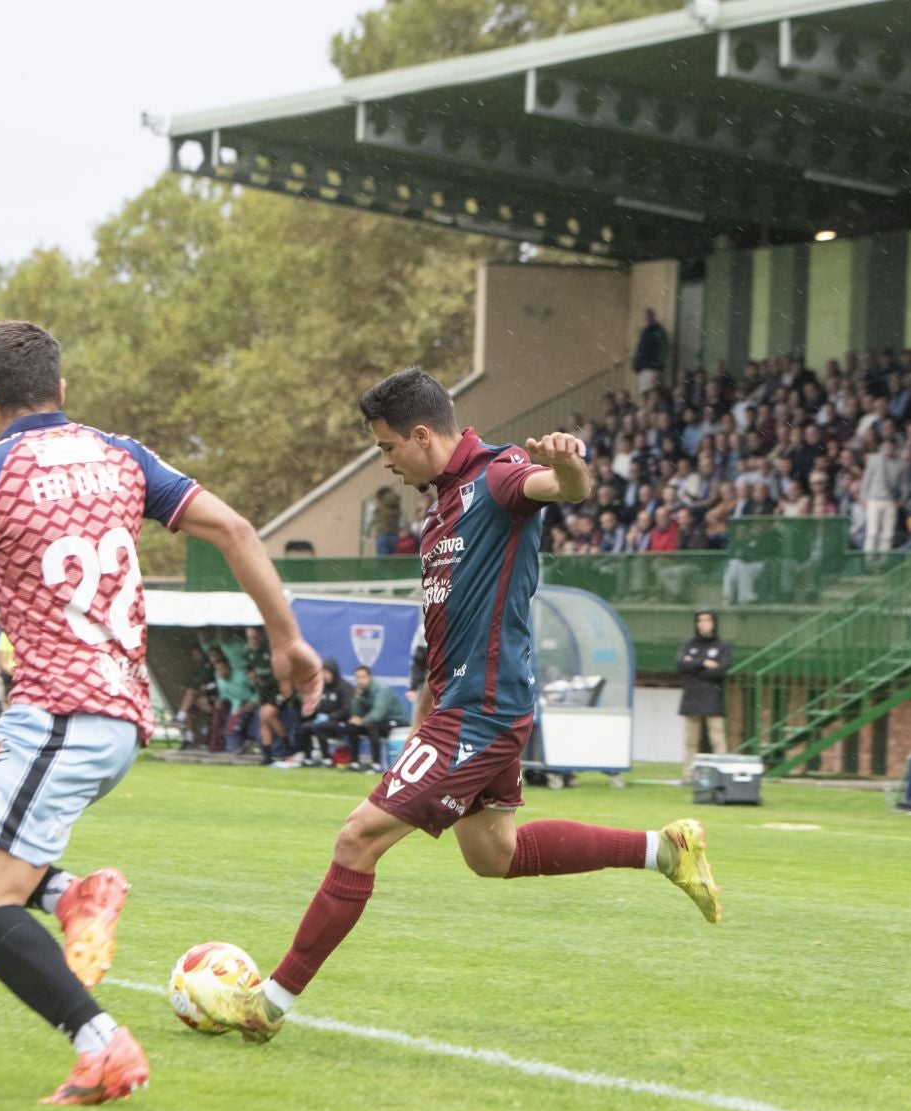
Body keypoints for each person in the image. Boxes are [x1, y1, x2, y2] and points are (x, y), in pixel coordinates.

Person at [186, 367, 719, 1045]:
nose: (384, 462)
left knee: (357, 839)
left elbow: (561, 488)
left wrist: (571, 463)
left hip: (485, 710)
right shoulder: (438, 507)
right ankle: (665, 851)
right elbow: (450, 630)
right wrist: (420, 724)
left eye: (385, 448)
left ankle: (268, 1005)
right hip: (462, 707)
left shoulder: (499, 475)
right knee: (492, 854)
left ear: (419, 434)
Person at [0, 320, 321, 1105]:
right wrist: (287, 641)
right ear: (62, 391)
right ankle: (71, 896)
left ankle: (102, 1047)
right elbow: (236, 528)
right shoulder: (121, 454)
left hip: (57, 714)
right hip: (115, 713)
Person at [675, 610, 731, 782]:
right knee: (691, 740)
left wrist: (694, 668)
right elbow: (680, 664)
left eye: (707, 620)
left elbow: (720, 670)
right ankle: (688, 776)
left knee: (717, 738)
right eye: (700, 620)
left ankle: (723, 775)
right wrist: (703, 663)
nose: (703, 623)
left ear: (714, 623)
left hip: (712, 697)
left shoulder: (722, 646)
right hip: (692, 696)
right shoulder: (689, 644)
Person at [342, 665, 408, 770]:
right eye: (357, 678)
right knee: (352, 726)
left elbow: (378, 714)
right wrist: (357, 698)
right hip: (375, 722)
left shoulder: (382, 689)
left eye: (362, 677)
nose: (360, 681)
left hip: (395, 720)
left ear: (370, 677)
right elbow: (356, 713)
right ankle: (355, 763)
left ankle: (376, 764)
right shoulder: (361, 691)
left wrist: (362, 721)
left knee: (371, 725)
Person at [632, 308, 668, 395]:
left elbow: (663, 347)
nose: (647, 319)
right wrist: (636, 364)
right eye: (645, 318)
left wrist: (659, 364)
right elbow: (639, 349)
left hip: (653, 367)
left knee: (652, 392)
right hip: (643, 367)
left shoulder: (659, 331)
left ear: (653, 317)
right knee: (643, 393)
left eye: (648, 317)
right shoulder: (644, 332)